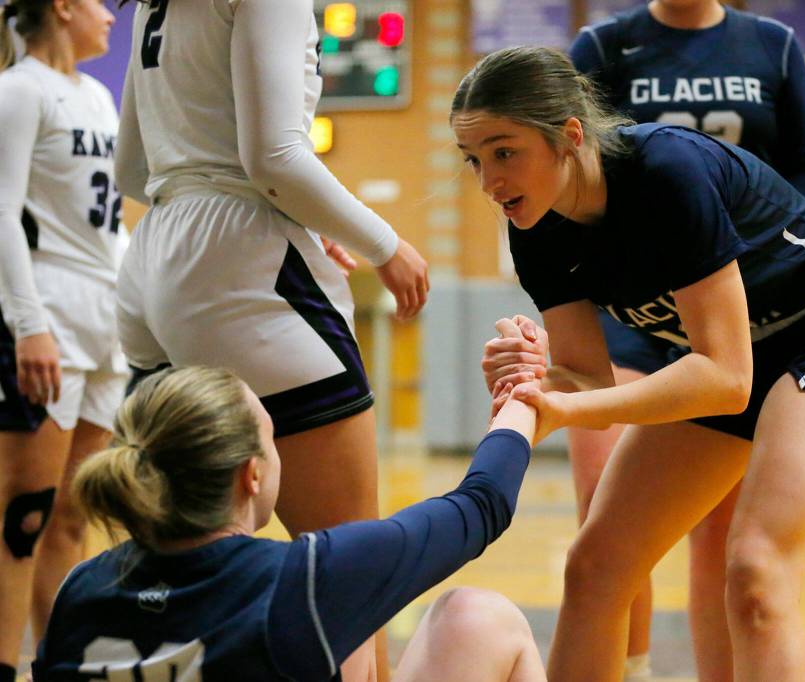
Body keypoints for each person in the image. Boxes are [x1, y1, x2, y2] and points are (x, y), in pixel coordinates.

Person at [455, 45, 805, 681]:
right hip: (734, 354)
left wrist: (563, 407)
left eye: (505, 152)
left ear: (570, 136)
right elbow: (589, 382)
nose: (489, 182)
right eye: (473, 160)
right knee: (596, 567)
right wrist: (534, 375)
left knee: (756, 573)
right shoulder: (536, 230)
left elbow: (725, 380)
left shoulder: (667, 171)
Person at [113, 0, 429, 675]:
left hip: (153, 260)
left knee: (187, 566)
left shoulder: (150, 6)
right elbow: (275, 157)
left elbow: (132, 171)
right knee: (351, 570)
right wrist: (386, 245)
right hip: (241, 262)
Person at [564, 1, 805, 677]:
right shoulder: (604, 46)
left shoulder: (772, 45)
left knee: (722, 529)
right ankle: (632, 669)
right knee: (606, 504)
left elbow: (801, 179)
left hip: (737, 303)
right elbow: (563, 172)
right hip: (635, 311)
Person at [31, 365, 546, 681]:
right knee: (478, 618)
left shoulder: (82, 587)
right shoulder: (305, 579)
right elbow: (482, 504)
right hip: (303, 605)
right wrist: (524, 398)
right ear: (251, 474)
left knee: (344, 638)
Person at [0, 1, 125, 679]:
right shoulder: (19, 91)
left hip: (105, 319)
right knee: (23, 515)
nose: (109, 14)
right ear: (62, 6)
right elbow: (1, 211)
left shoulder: (99, 96)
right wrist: (29, 324)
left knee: (73, 515)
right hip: (48, 313)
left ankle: (60, 665)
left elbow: (109, 224)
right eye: (98, 2)